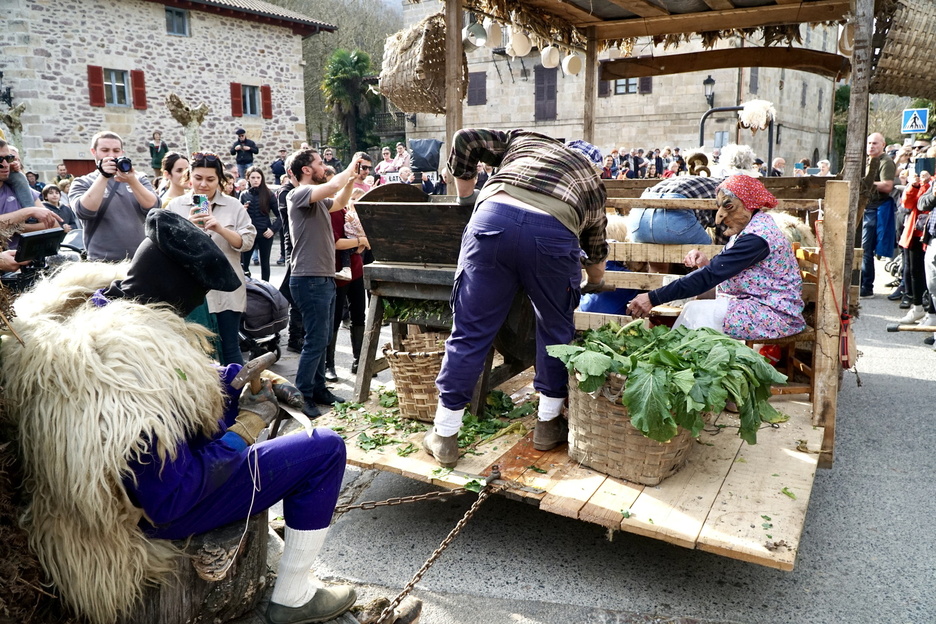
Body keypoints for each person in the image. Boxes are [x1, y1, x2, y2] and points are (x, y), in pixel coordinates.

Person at [1, 210, 355, 624]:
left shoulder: (90, 325)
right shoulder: (129, 377)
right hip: (140, 524)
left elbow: (178, 386)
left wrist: (233, 379)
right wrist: (245, 429)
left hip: (104, 505)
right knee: (325, 449)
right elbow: (172, 496)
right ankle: (294, 596)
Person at [422, 129, 608, 468]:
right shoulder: (592, 183)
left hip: (492, 219)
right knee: (555, 333)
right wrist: (592, 280)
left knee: (470, 332)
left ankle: (445, 435)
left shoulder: (529, 140)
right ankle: (547, 425)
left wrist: (465, 194)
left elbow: (465, 139)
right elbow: (595, 262)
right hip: (552, 234)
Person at [627, 175, 805, 340]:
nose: (719, 217)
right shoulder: (748, 229)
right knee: (693, 308)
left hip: (774, 315)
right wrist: (706, 264)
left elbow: (710, 276)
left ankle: (680, 364)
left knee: (697, 312)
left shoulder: (756, 238)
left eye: (729, 207)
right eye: (719, 206)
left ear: (749, 205)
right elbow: (721, 270)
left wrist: (653, 298)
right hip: (754, 305)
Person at [285, 148, 363, 418]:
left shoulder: (317, 200)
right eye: (319, 162)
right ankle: (302, 395)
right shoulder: (297, 194)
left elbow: (340, 201)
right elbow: (333, 185)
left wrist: (352, 178)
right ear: (305, 170)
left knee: (323, 337)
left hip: (323, 277)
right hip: (309, 279)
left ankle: (319, 389)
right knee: (316, 340)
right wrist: (351, 164)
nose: (323, 165)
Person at [167, 152, 256, 365]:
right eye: (198, 178)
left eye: (210, 179)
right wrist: (186, 227)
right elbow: (166, 249)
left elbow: (247, 241)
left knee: (230, 348)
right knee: (196, 351)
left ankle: (234, 397)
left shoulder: (233, 206)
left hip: (226, 289)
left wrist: (219, 228)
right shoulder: (175, 206)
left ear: (220, 180)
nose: (203, 184)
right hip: (190, 291)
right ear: (190, 177)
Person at [70, 131, 160, 261]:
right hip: (103, 262)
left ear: (122, 152)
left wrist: (132, 180)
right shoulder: (83, 182)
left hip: (141, 260)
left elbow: (154, 207)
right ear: (94, 152)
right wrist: (104, 176)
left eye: (116, 151)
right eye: (105, 150)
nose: (111, 155)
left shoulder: (139, 178)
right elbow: (84, 211)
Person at [627, 175, 720, 246]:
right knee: (712, 258)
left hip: (638, 219)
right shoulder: (727, 191)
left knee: (658, 264)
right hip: (673, 220)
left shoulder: (701, 180)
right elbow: (724, 236)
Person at [860, 132, 897, 298]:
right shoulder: (867, 160)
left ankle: (866, 287)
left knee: (865, 249)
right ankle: (859, 283)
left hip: (875, 208)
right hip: (864, 207)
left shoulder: (886, 161)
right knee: (860, 248)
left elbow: (887, 186)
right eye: (869, 143)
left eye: (875, 143)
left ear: (883, 144)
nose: (871, 146)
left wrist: (866, 183)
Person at [239, 166, 277, 282]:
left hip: (264, 233)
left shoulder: (269, 194)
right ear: (248, 179)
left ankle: (266, 290)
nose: (256, 180)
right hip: (248, 233)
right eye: (253, 177)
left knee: (265, 264)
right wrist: (242, 210)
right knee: (244, 264)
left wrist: (273, 229)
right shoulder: (243, 195)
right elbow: (237, 217)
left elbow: (281, 215)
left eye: (258, 177)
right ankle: (247, 287)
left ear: (262, 179)